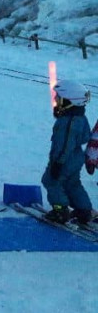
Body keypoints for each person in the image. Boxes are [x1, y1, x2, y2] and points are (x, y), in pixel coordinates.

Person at [42, 80, 92, 224]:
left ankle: (60, 210)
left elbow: (64, 145)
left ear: (69, 101)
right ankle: (83, 210)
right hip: (76, 156)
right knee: (72, 183)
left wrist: (58, 163)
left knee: (51, 181)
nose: (56, 100)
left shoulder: (68, 122)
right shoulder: (79, 117)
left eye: (58, 98)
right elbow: (84, 136)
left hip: (65, 159)